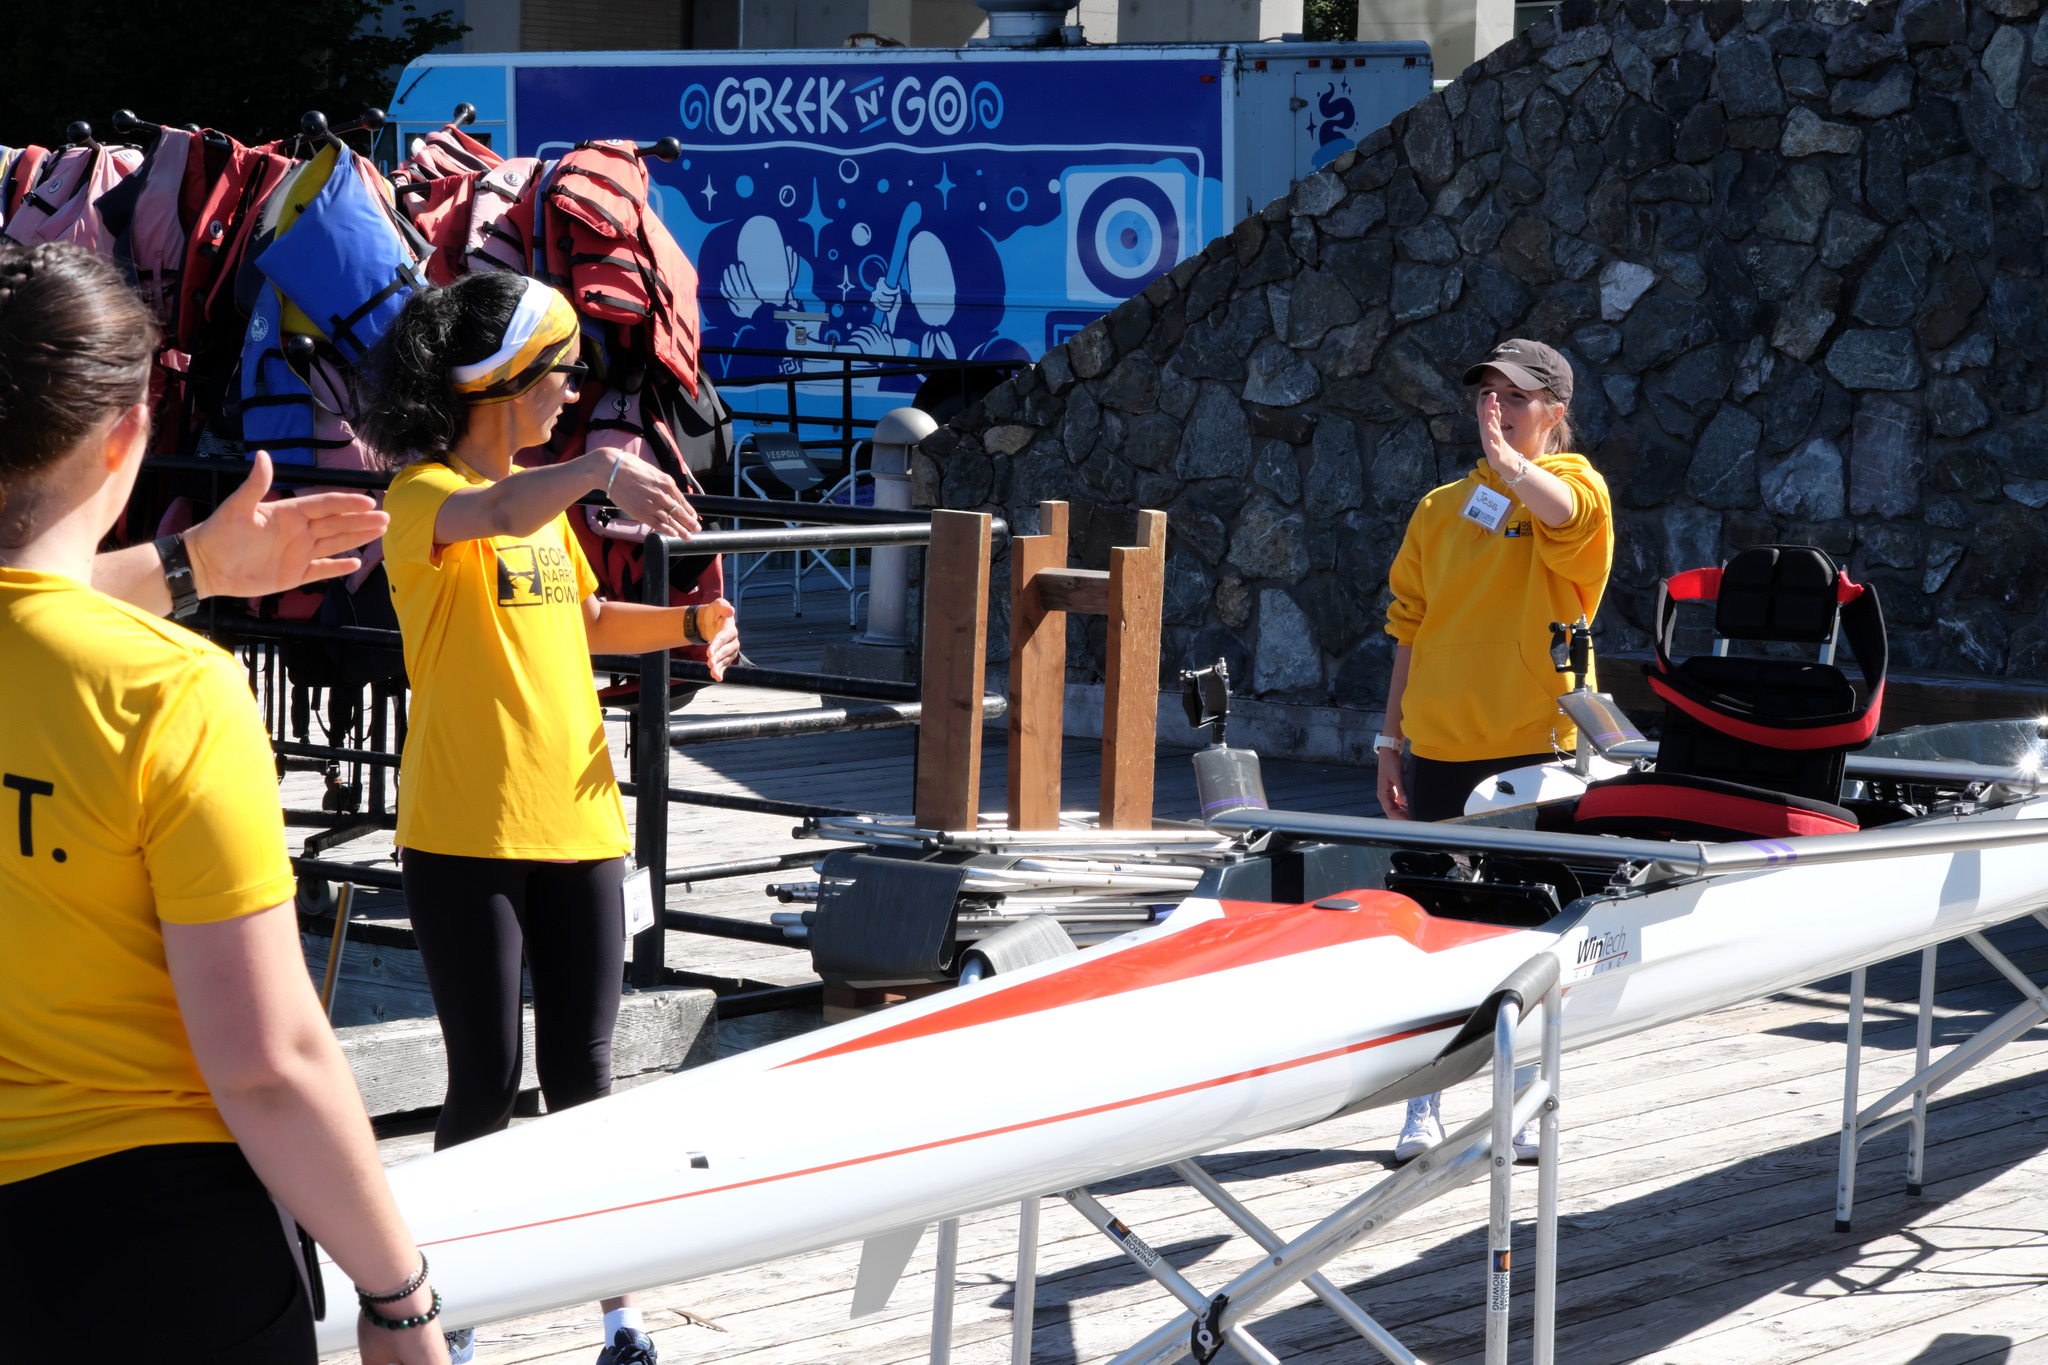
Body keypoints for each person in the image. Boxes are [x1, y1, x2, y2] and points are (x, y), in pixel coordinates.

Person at [0, 241, 446, 1363]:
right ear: (123, 437)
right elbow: (265, 1058)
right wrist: (398, 1299)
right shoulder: (165, 689)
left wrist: (193, 565)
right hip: (147, 1246)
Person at [359, 271, 741, 1365]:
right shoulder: (423, 496)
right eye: (561, 372)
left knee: (588, 1083)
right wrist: (600, 472)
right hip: (462, 835)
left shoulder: (540, 497)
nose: (573, 392)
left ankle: (620, 1317)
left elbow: (584, 618)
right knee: (483, 1081)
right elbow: (495, 514)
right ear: (501, 383)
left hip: (580, 827)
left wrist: (689, 621)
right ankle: (459, 1326)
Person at [1374, 339, 1614, 1164]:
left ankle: (1520, 1102)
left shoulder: (1576, 489)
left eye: (1516, 395)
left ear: (1554, 408)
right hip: (1438, 746)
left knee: (1528, 936)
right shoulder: (1441, 507)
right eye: (1488, 391)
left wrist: (1512, 464)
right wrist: (1388, 738)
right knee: (1431, 926)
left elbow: (1562, 514)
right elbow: (1409, 627)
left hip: (1534, 749)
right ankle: (1423, 1106)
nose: (1497, 407)